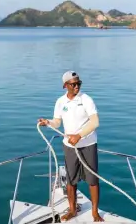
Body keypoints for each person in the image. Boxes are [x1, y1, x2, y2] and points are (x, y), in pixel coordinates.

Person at [38, 71, 104, 222]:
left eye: (78, 83)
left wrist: (79, 135)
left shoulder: (86, 99)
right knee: (71, 180)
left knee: (93, 180)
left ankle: (95, 213)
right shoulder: (60, 102)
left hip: (88, 145)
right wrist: (47, 122)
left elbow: (95, 122)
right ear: (65, 85)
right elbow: (57, 122)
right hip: (69, 147)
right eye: (73, 84)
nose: (77, 86)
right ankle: (73, 210)